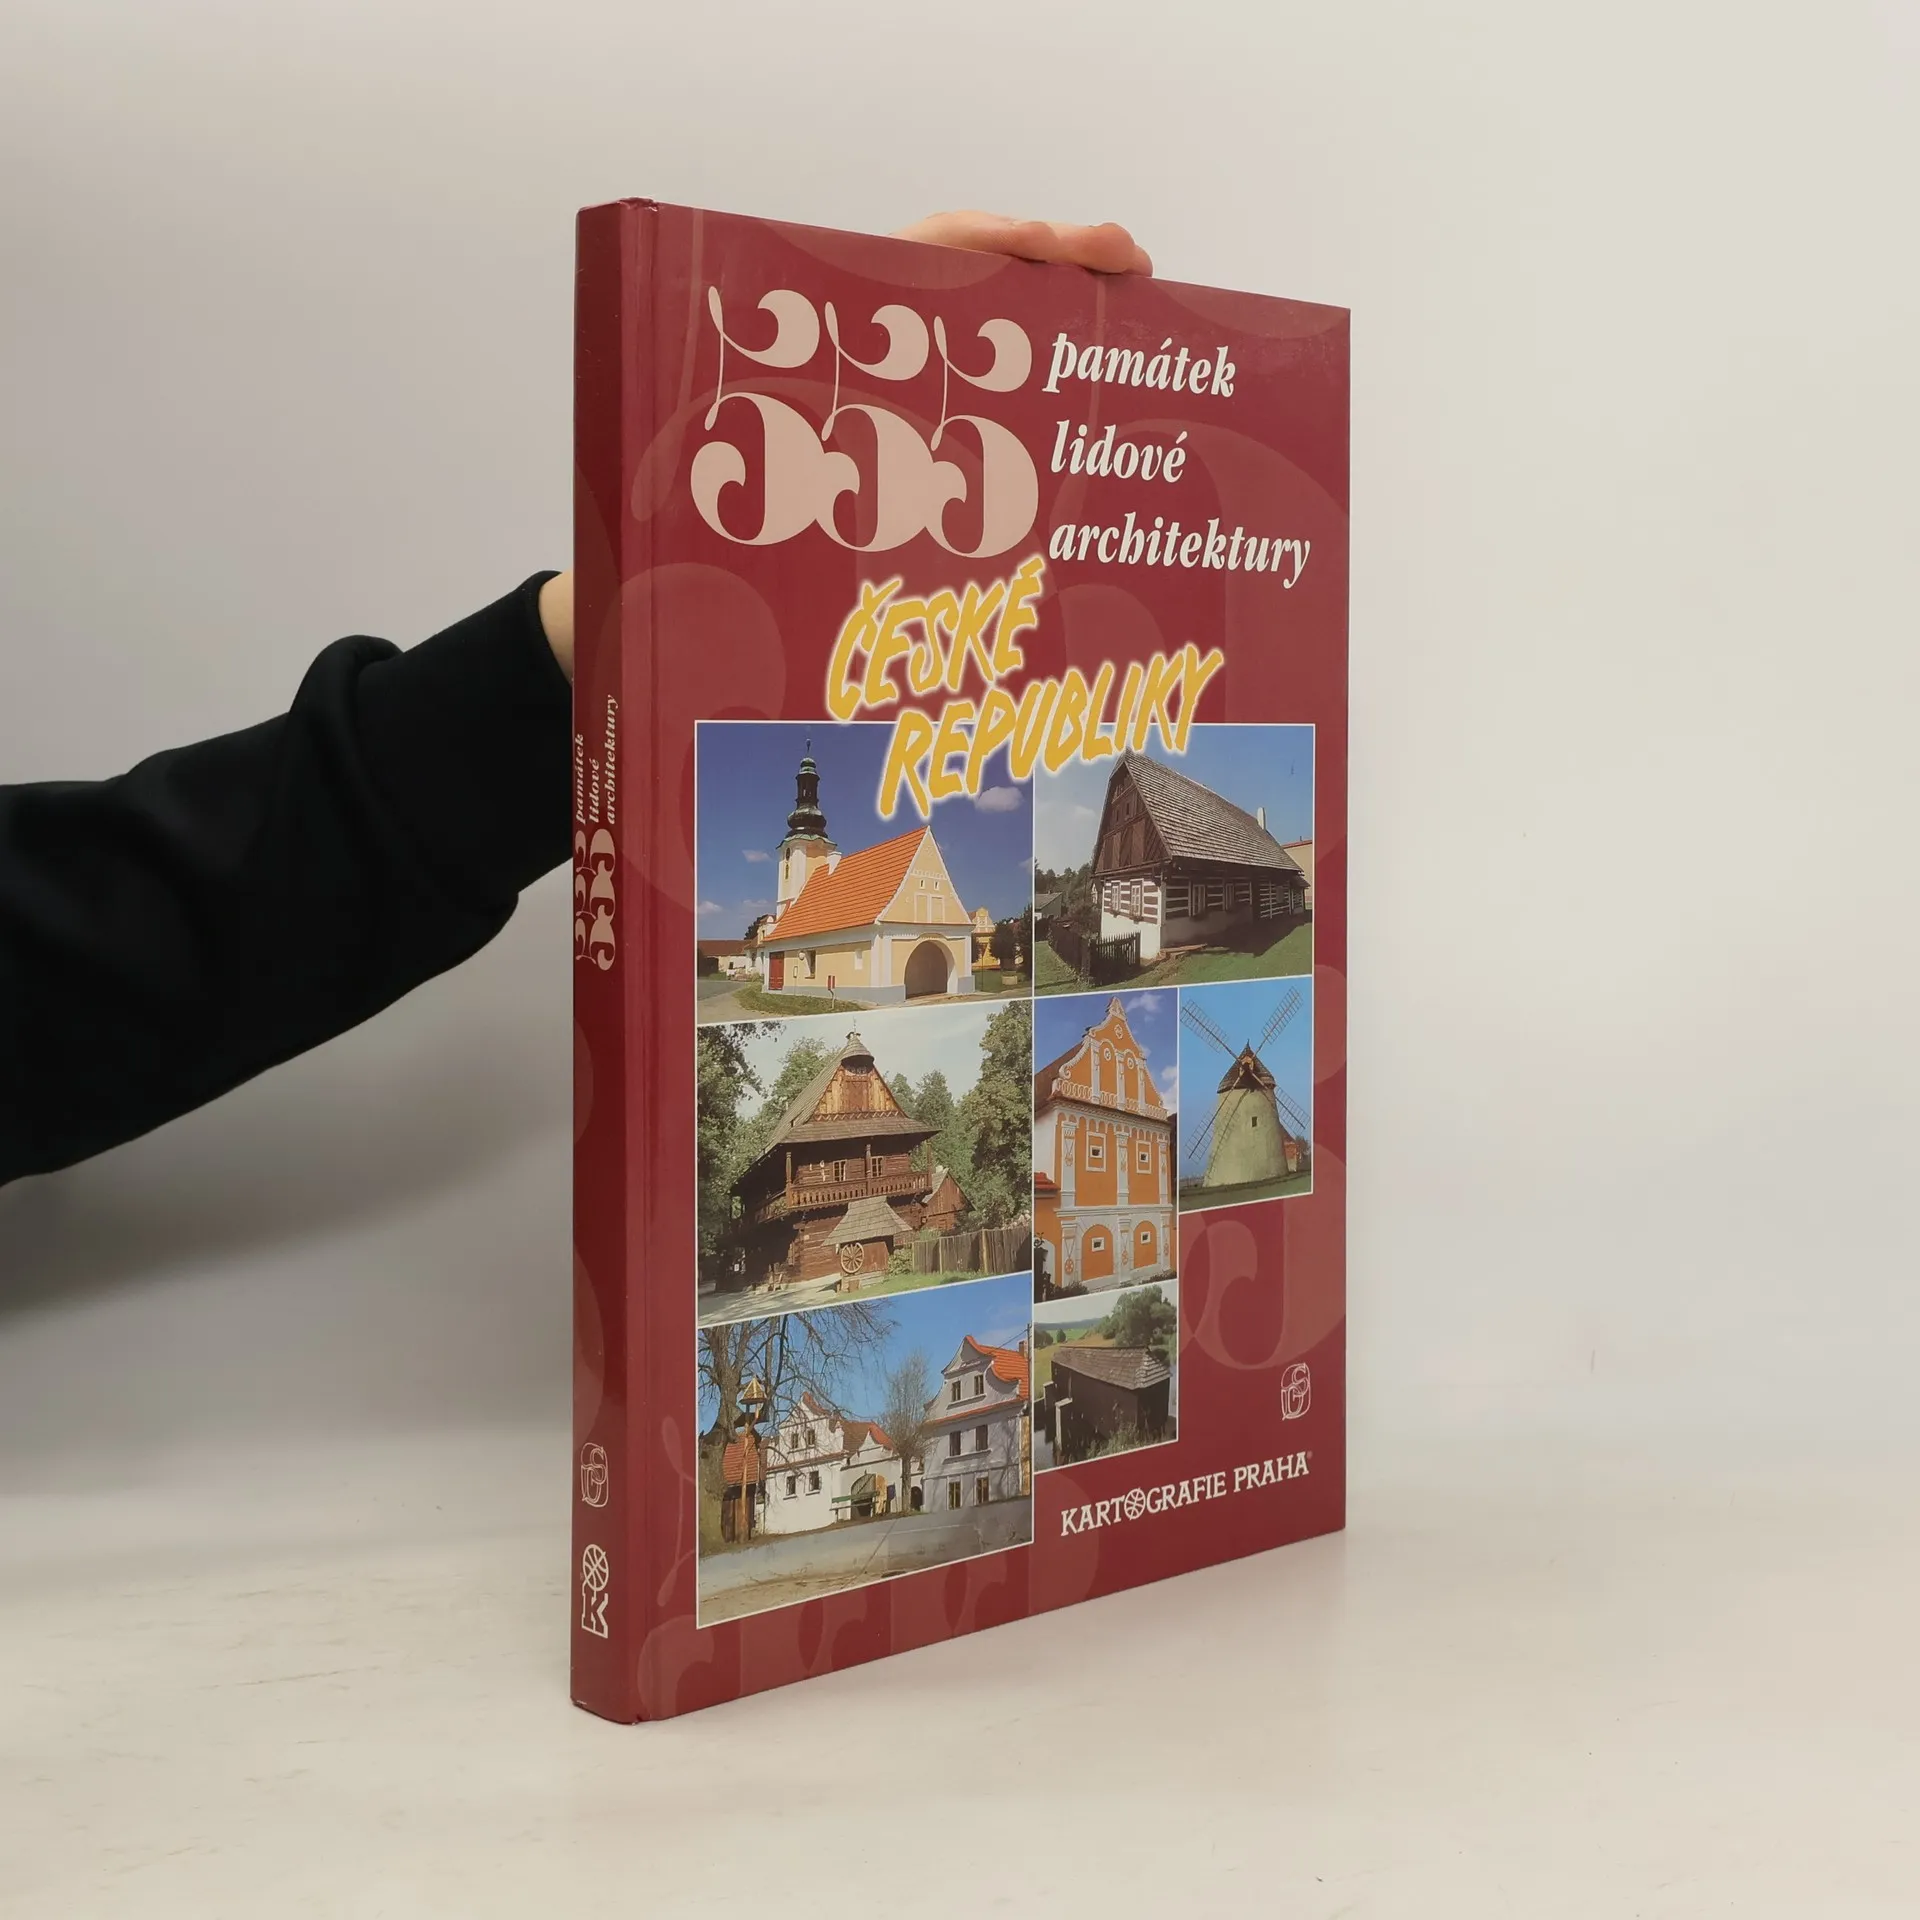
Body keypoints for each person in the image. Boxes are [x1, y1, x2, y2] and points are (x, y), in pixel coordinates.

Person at [0, 212, 1151, 1193]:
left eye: (807, 839)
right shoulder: (817, 895)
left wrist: (633, 606)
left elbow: (117, 938)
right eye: (801, 842)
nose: (802, 849)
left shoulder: (882, 877)